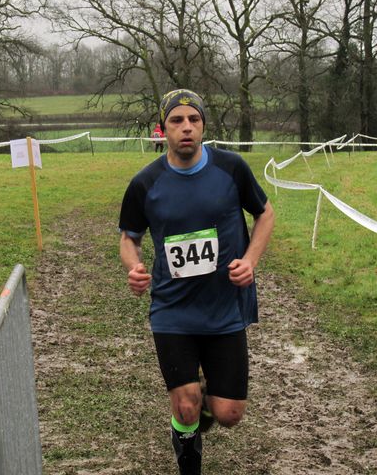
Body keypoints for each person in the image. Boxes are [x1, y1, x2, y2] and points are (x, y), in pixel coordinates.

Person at [118, 89, 275, 475]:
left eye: (194, 120)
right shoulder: (145, 183)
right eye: (177, 120)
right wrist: (134, 267)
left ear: (203, 125)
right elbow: (129, 237)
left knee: (229, 414)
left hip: (224, 307)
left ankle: (202, 393)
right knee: (185, 407)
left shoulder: (231, 169)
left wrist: (250, 261)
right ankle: (187, 439)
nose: (186, 127)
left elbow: (265, 214)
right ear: (164, 129)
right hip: (172, 310)